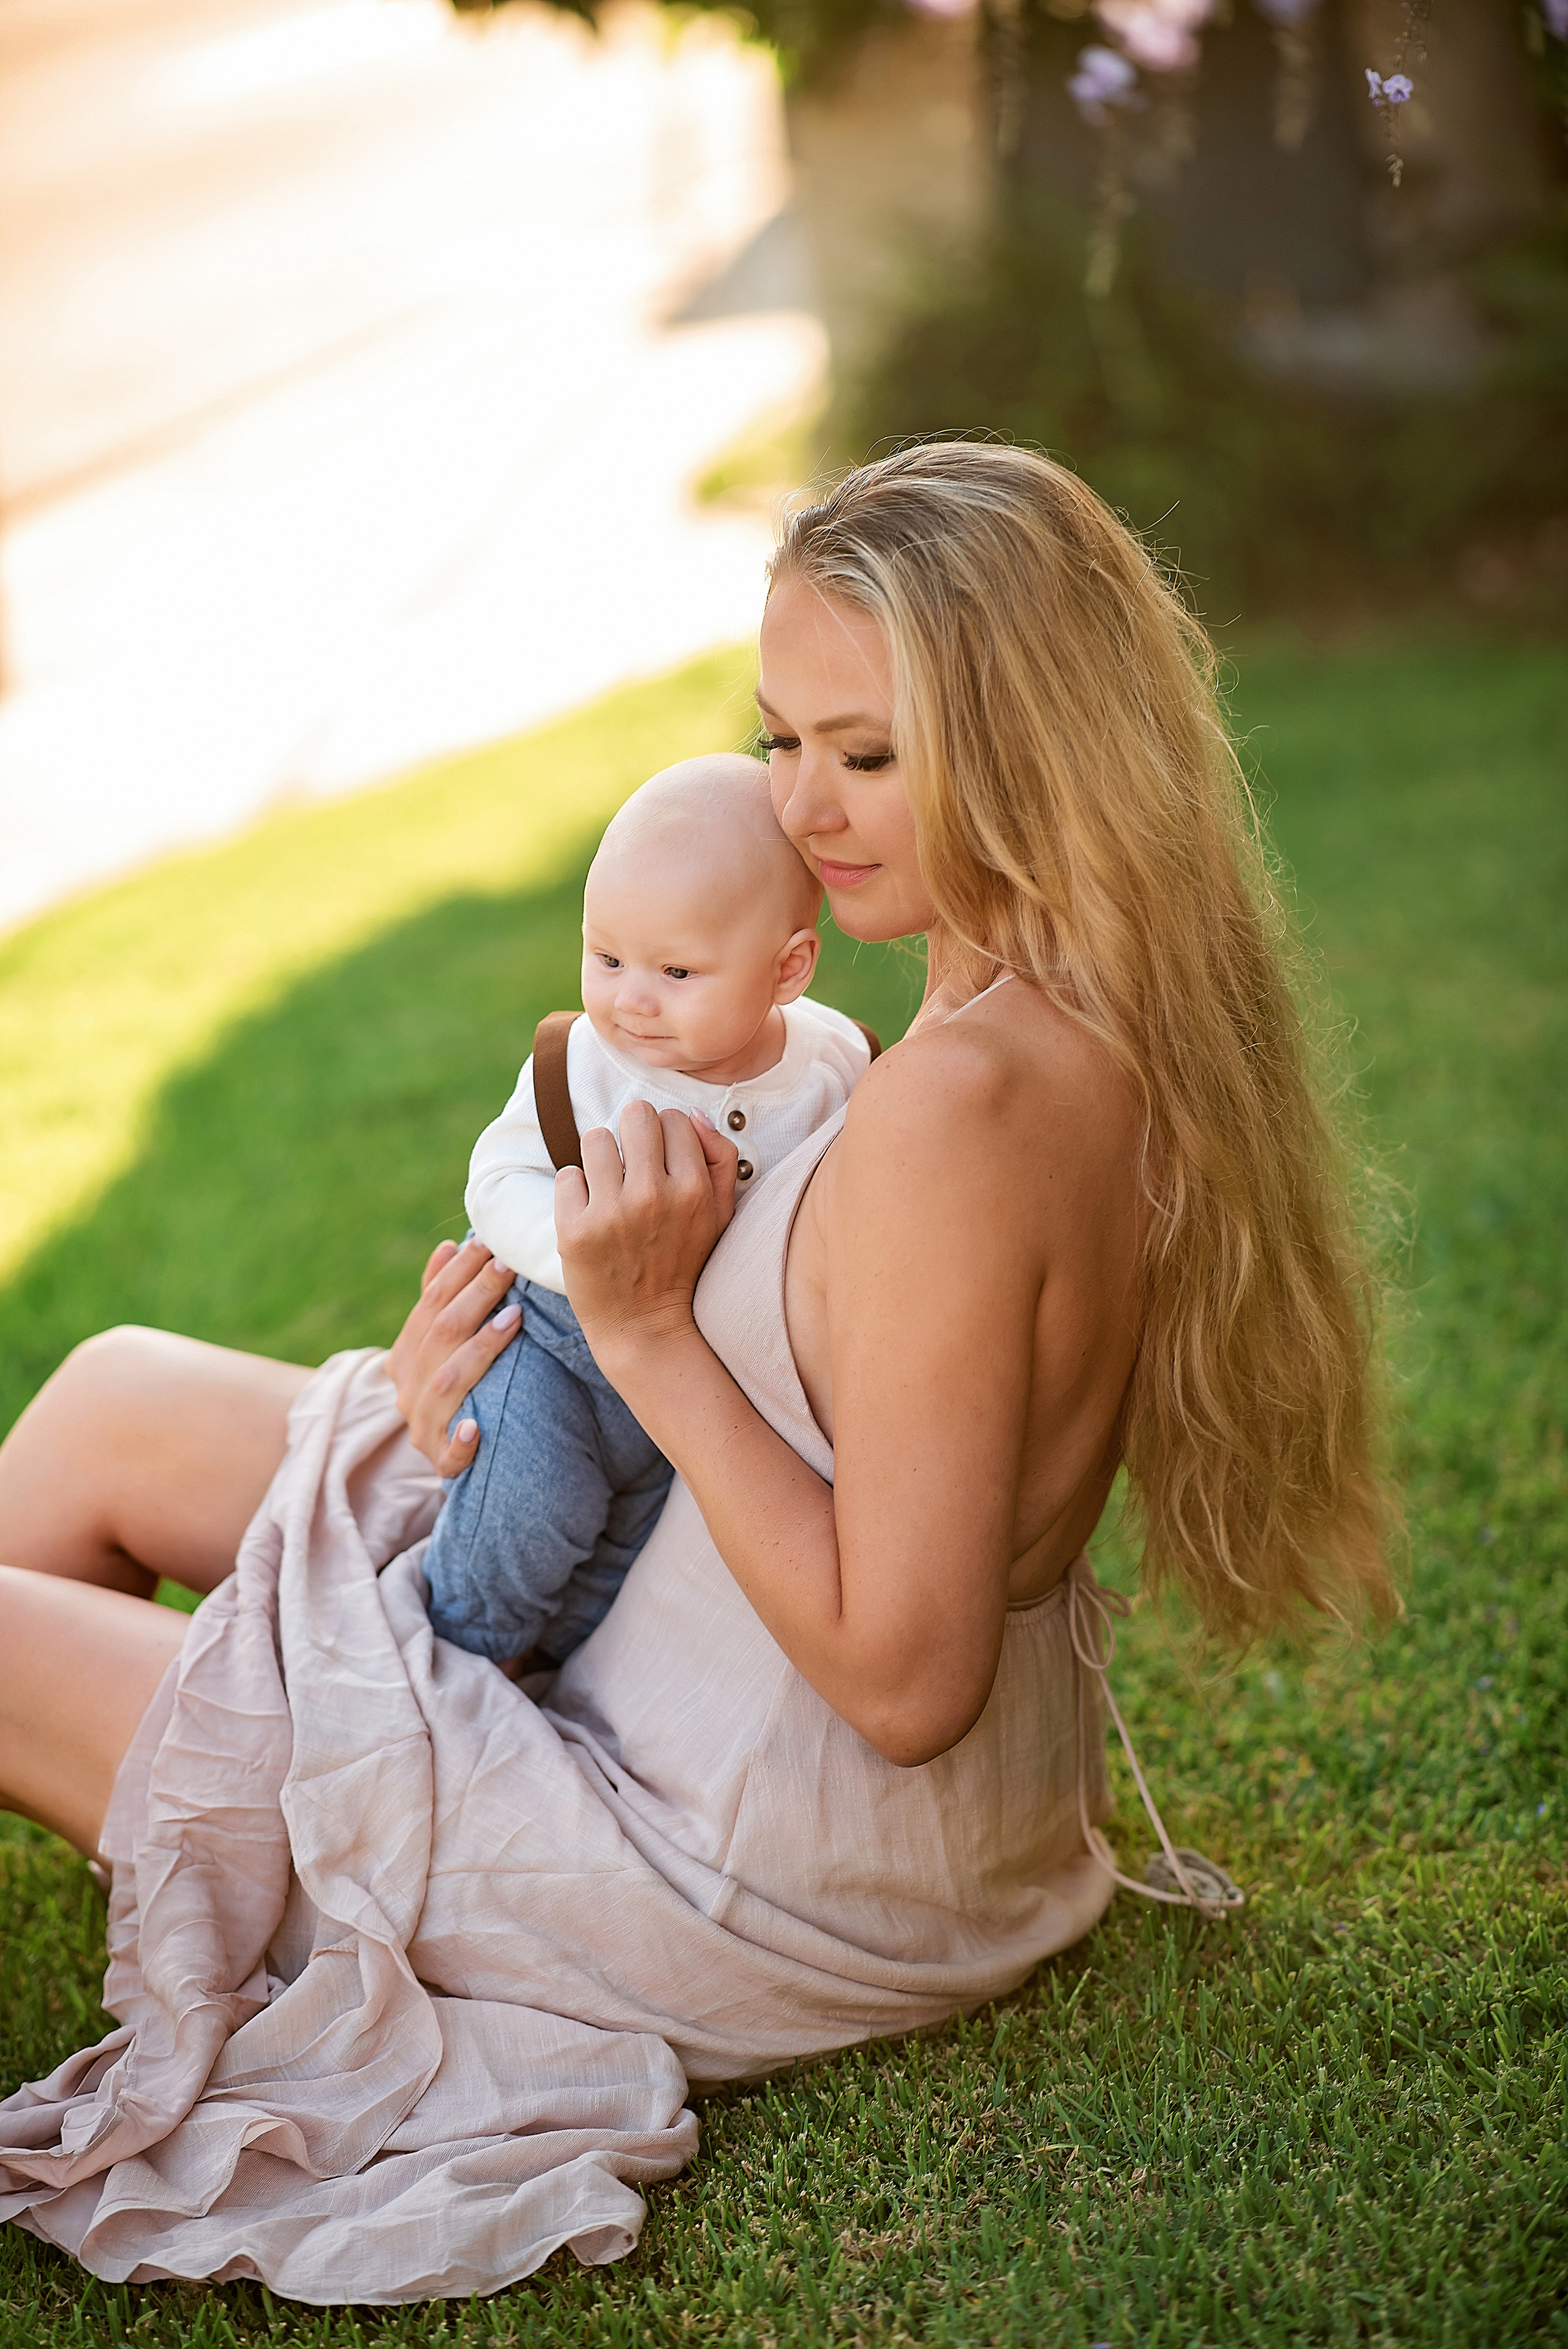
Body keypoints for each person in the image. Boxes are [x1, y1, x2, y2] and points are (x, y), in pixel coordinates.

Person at [0, 444, 1395, 2304]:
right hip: (721, 1684)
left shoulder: (964, 1115)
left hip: (737, 1848)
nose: (799, 807)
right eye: (780, 736)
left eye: (866, 753)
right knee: (107, 1391)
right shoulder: (1031, 1009)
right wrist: (506, 1363)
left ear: (1030, 742)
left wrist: (649, 1335)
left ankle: (243, 1839)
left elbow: (907, 1678)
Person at [426, 751, 872, 1671]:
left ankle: (562, 1663)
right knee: (532, 1503)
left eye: (675, 969)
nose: (630, 998)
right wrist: (583, 1257)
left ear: (787, 969)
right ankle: (469, 1648)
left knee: (632, 1549)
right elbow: (497, 1179)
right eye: (607, 956)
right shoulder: (584, 1067)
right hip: (552, 1349)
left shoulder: (834, 1069)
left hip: (687, 1390)